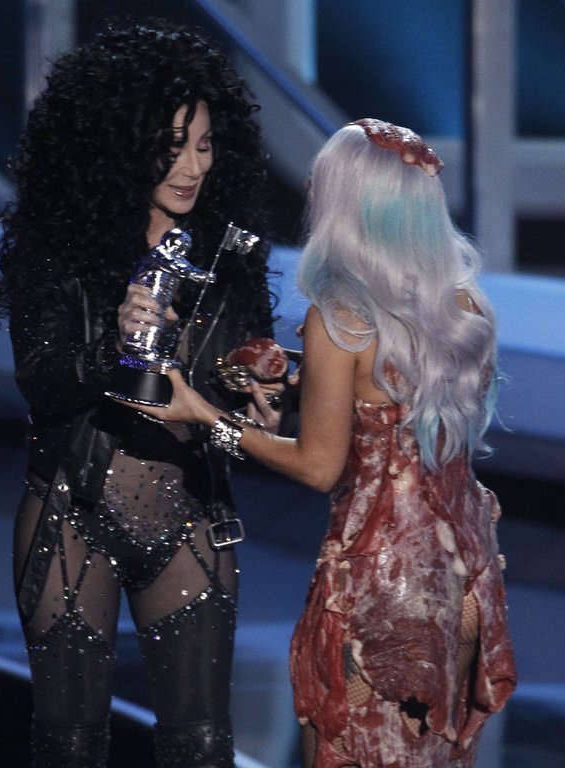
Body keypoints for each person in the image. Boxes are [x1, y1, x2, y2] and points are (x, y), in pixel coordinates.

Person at [125, 119, 517, 767]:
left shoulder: (340, 320)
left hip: (377, 580)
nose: (309, 189)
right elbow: (396, 402)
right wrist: (300, 376)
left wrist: (204, 414)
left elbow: (318, 466)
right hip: (460, 575)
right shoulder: (466, 310)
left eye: (321, 182)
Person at [0, 18, 278, 767]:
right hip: (70, 515)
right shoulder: (60, 248)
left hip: (190, 516)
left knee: (201, 745)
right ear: (119, 145)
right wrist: (114, 341)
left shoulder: (229, 251)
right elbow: (41, 382)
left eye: (205, 145)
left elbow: (231, 379)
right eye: (172, 145)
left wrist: (259, 386)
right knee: (69, 747)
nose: (192, 166)